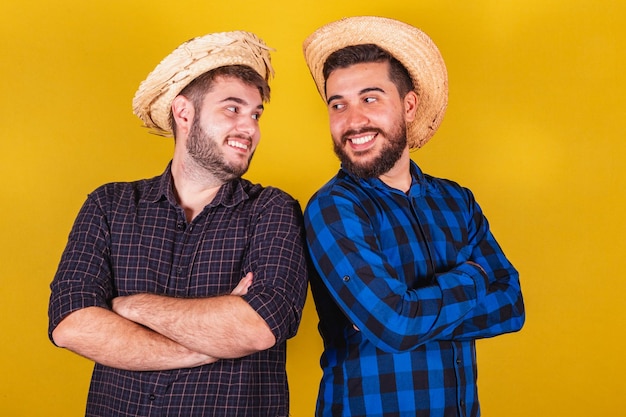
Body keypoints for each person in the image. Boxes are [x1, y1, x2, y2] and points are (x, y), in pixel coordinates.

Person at [48, 31, 309, 417]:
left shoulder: (272, 210)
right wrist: (209, 342)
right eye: (233, 109)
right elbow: (71, 323)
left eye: (255, 114)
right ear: (184, 113)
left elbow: (258, 327)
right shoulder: (109, 205)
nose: (250, 128)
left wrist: (130, 306)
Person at [302, 16, 525, 417]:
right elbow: (394, 325)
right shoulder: (334, 207)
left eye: (370, 99)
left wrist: (403, 313)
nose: (352, 121)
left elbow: (511, 305)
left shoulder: (456, 200)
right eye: (338, 105)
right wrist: (473, 277)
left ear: (408, 105)